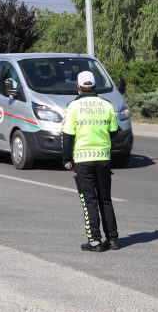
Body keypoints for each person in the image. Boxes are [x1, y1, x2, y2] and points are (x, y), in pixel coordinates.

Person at [61, 70, 119, 252]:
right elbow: (114, 131)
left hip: (83, 159)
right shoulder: (106, 105)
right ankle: (112, 240)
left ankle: (94, 241)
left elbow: (67, 136)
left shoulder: (73, 106)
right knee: (105, 199)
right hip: (103, 158)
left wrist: (66, 159)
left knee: (89, 200)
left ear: (78, 87)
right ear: (94, 86)